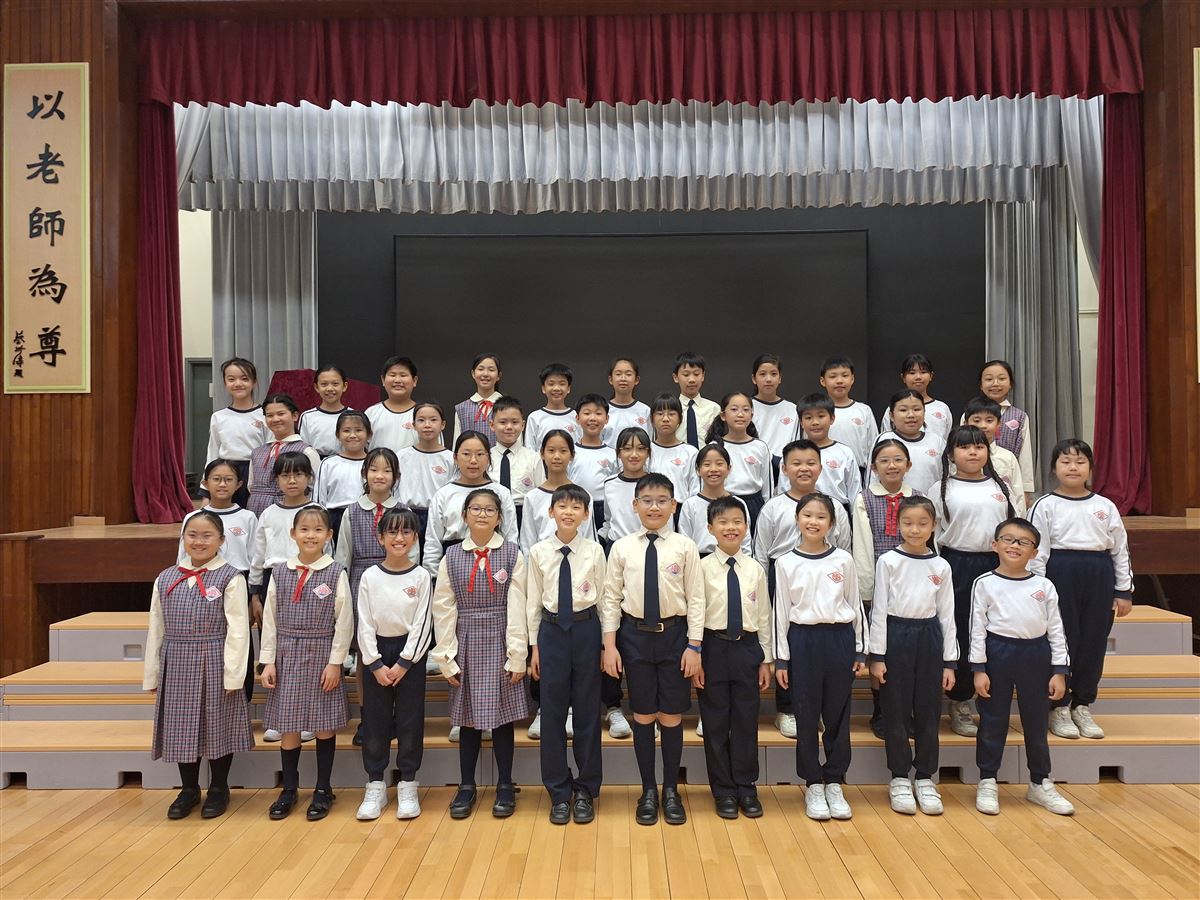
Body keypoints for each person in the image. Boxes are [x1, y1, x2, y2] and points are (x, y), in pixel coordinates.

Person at [600, 474, 705, 826]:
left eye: (662, 500)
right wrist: (610, 646)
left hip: (675, 637)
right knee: (644, 715)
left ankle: (671, 790)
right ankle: (647, 789)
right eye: (647, 500)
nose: (654, 507)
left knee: (671, 716)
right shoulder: (622, 547)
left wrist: (694, 645)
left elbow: (697, 599)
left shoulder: (685, 547)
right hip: (634, 637)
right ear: (635, 505)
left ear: (673, 505)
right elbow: (610, 599)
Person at [145, 510, 254, 820]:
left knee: (218, 724)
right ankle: (189, 788)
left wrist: (234, 675)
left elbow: (238, 630)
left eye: (207, 536)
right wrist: (153, 673)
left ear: (221, 540)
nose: (199, 541)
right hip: (177, 660)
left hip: (215, 658)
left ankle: (219, 787)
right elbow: (156, 627)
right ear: (183, 538)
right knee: (181, 724)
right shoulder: (166, 578)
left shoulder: (231, 577)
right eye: (192, 535)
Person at [431, 488, 529, 819]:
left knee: (503, 718)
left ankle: (505, 783)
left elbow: (518, 606)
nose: (483, 514)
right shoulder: (452, 556)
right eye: (476, 509)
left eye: (490, 510)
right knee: (468, 719)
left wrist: (517, 654)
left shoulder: (513, 554)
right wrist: (446, 657)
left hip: (501, 637)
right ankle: (467, 785)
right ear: (464, 516)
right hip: (466, 640)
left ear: (500, 517)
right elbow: (443, 608)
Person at [1029, 439, 1133, 740]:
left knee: (1093, 642)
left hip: (1099, 574)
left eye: (1080, 462)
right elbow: (1037, 552)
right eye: (1065, 461)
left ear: (1090, 468)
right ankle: (1058, 706)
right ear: (1053, 469)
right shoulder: (1044, 505)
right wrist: (1037, 590)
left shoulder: (1105, 506)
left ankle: (1082, 704)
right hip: (1060, 573)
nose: (1073, 467)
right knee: (1063, 639)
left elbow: (1120, 550)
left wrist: (1123, 590)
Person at [971, 518, 1075, 817]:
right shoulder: (984, 583)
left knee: (1036, 723)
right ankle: (987, 780)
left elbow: (1056, 629)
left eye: (1023, 542)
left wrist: (1059, 671)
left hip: (1036, 655)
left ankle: (1040, 782)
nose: (1015, 546)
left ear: (1035, 552)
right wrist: (979, 669)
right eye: (1008, 539)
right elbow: (976, 628)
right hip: (998, 654)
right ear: (995, 545)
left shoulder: (1044, 586)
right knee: (993, 721)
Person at [773, 492, 867, 822]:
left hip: (839, 640)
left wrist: (859, 648)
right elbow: (780, 612)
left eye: (821, 516)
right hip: (803, 642)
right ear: (797, 519)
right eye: (807, 515)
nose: (813, 521)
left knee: (838, 715)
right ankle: (813, 782)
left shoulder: (843, 560)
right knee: (806, 715)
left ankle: (834, 780)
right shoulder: (785, 562)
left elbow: (855, 605)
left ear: (832, 523)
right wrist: (782, 659)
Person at [259, 506, 354, 821]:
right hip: (286, 655)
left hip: (322, 654)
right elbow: (269, 620)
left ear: (329, 535)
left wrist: (336, 662)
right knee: (289, 725)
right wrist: (267, 661)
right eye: (304, 529)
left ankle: (323, 788)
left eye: (317, 530)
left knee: (324, 725)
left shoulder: (335, 572)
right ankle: (289, 789)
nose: (310, 535)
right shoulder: (280, 572)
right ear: (293, 534)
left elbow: (344, 622)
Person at [755, 440, 852, 737]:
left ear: (820, 468)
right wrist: (763, 593)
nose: (804, 469)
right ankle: (787, 709)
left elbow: (844, 547)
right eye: (796, 463)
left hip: (825, 575)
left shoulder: (834, 506)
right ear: (784, 469)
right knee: (787, 643)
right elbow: (761, 554)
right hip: (784, 576)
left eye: (810, 463)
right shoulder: (773, 507)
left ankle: (818, 709)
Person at [524, 484, 608, 824]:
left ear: (586, 514)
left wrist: (604, 644)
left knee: (588, 713)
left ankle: (586, 789)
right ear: (551, 512)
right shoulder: (538, 552)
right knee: (552, 715)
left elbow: (604, 600)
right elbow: (533, 601)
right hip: (551, 632)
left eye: (576, 507)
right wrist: (534, 648)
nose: (569, 512)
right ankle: (559, 791)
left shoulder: (595, 551)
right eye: (562, 506)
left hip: (587, 630)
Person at [868, 496, 956, 816]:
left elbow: (947, 615)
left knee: (929, 711)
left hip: (929, 637)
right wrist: (878, 656)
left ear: (934, 526)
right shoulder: (888, 561)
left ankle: (925, 776)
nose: (915, 529)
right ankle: (899, 776)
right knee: (896, 710)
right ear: (897, 525)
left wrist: (949, 662)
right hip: (896, 635)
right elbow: (879, 609)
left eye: (922, 523)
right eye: (908, 523)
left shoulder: (941, 566)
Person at [931, 425, 1016, 738]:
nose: (972, 452)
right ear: (951, 454)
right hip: (956, 564)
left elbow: (1014, 529)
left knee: (995, 632)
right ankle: (960, 701)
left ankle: (993, 702)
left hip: (996, 565)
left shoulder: (1000, 486)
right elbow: (931, 534)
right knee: (963, 633)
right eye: (965, 447)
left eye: (979, 447)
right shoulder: (940, 489)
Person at [354, 507, 434, 821]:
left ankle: (408, 784)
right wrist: (374, 663)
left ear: (415, 538)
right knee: (375, 722)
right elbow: (364, 621)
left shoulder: (421, 576)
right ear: (380, 537)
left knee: (410, 722)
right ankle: (375, 784)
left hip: (409, 658)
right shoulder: (369, 576)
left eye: (406, 532)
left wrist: (404, 662)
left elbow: (423, 623)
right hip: (376, 655)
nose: (399, 538)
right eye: (392, 532)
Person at [694, 497, 772, 819]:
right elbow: (695, 614)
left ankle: (746, 786)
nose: (731, 527)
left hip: (746, 649)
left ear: (746, 527)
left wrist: (766, 658)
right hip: (712, 647)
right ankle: (723, 790)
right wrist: (696, 655)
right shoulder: (700, 568)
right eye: (723, 522)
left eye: (737, 521)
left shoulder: (754, 569)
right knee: (714, 723)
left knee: (745, 721)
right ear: (710, 528)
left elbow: (764, 615)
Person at [851, 438, 921, 737]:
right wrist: (867, 590)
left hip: (913, 582)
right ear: (873, 467)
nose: (891, 466)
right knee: (880, 648)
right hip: (880, 581)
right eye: (884, 461)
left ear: (909, 464)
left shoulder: (918, 497)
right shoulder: (865, 499)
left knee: (909, 650)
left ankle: (909, 711)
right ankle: (881, 711)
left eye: (897, 460)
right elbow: (862, 546)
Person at [178, 459, 260, 703]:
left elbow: (255, 558)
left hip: (238, 583)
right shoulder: (193, 517)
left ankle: (242, 700)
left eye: (228, 479)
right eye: (216, 479)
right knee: (207, 640)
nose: (222, 484)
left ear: (239, 484)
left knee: (239, 639)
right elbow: (182, 557)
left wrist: (253, 595)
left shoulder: (247, 517)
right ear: (205, 483)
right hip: (200, 581)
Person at [422, 431, 519, 580]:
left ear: (488, 458)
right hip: (452, 565)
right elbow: (433, 542)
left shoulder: (501, 493)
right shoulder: (443, 494)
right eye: (466, 454)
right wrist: (433, 578)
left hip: (495, 563)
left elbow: (510, 536)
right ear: (455, 457)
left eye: (480, 454)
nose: (473, 460)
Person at [203, 357, 266, 507]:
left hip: (256, 475)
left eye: (244, 378)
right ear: (225, 383)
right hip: (226, 475)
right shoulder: (218, 417)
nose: (238, 384)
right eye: (231, 379)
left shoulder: (265, 415)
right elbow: (212, 454)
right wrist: (205, 493)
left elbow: (270, 452)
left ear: (254, 382)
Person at [705, 392, 772, 533]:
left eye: (746, 410)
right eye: (734, 409)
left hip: (754, 504)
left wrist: (767, 512)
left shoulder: (760, 447)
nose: (740, 414)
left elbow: (767, 487)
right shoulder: (714, 447)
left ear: (751, 416)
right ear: (723, 415)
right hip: (723, 505)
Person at [781, 392, 861, 509]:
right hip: (800, 510)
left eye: (821, 416)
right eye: (808, 418)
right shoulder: (791, 454)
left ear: (832, 418)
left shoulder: (845, 453)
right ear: (801, 422)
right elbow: (783, 491)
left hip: (838, 511)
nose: (815, 422)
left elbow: (855, 491)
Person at [247, 393, 322, 517]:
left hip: (292, 511)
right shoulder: (257, 452)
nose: (275, 419)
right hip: (255, 509)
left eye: (281, 414)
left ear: (295, 416)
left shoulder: (306, 451)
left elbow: (315, 487)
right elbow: (251, 485)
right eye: (270, 415)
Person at [520, 430, 596, 550]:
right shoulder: (532, 497)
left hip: (578, 558)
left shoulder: (583, 496)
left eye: (563, 451)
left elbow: (589, 537)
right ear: (542, 453)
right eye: (551, 450)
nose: (557, 456)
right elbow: (527, 541)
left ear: (572, 455)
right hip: (542, 559)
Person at [395, 401, 455, 550]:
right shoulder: (402, 456)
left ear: (443, 424)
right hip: (406, 517)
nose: (427, 425)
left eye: (433, 420)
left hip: (439, 518)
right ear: (414, 425)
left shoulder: (451, 458)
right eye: (421, 420)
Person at [676, 443, 752, 558]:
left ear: (729, 469)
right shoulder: (690, 505)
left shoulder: (738, 504)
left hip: (734, 560)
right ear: (698, 470)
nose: (713, 469)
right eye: (707, 464)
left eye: (719, 464)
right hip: (699, 561)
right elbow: (685, 543)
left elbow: (745, 542)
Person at [977, 359, 1034, 504]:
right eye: (989, 379)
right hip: (976, 476)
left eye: (1001, 379)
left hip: (1008, 476)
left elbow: (1025, 455)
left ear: (1011, 384)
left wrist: (1026, 490)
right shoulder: (970, 414)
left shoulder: (1019, 416)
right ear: (981, 385)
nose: (995, 383)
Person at [962, 395, 1026, 514]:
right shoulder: (959, 457)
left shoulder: (1008, 457)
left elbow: (1018, 497)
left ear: (998, 424)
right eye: (977, 421)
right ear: (966, 424)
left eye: (989, 420)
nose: (983, 425)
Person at [873, 389, 945, 495]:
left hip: (929, 503)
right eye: (903, 410)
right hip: (891, 503)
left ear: (924, 412)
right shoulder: (884, 439)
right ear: (892, 415)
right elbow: (873, 478)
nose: (911, 415)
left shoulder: (937, 441)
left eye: (916, 409)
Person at [599, 426, 662, 548]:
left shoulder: (657, 485)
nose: (634, 455)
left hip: (648, 546)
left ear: (648, 453)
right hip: (616, 547)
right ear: (618, 453)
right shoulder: (609, 483)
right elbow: (608, 520)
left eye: (641, 449)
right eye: (627, 449)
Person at [314, 410, 372, 541]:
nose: (353, 435)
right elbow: (319, 501)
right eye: (346, 431)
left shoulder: (375, 463)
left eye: (358, 430)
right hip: (335, 520)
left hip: (368, 518)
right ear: (337, 435)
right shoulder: (328, 463)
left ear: (369, 434)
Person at [819, 355, 878, 480]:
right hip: (823, 472)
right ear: (823, 381)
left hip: (859, 473)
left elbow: (874, 448)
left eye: (845, 375)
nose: (839, 381)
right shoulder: (816, 411)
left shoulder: (864, 410)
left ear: (852, 379)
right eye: (833, 376)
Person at [569, 394, 618, 539]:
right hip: (576, 507)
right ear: (577, 418)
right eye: (587, 413)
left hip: (603, 510)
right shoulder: (570, 452)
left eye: (598, 413)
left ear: (607, 418)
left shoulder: (613, 454)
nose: (592, 418)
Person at [488, 397, 540, 527]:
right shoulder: (485, 457)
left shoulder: (533, 458)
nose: (509, 427)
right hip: (491, 514)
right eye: (503, 422)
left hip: (524, 516)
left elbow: (540, 494)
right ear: (492, 425)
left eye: (515, 422)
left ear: (523, 425)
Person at [879, 353, 953, 443]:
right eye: (912, 373)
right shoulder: (894, 408)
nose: (918, 377)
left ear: (931, 376)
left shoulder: (942, 408)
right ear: (903, 377)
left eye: (923, 372)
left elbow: (947, 441)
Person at [750, 354, 799, 483]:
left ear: (780, 378)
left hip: (785, 473)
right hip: (754, 470)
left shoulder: (792, 409)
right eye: (762, 374)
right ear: (754, 378)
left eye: (773, 374)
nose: (768, 379)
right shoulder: (745, 408)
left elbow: (796, 444)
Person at [648, 392, 699, 506]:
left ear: (680, 418)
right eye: (660, 414)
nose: (665, 419)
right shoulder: (646, 451)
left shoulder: (691, 452)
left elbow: (695, 489)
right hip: (651, 508)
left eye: (671, 414)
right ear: (652, 419)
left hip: (681, 508)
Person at [366, 355, 420, 454]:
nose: (397, 380)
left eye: (403, 375)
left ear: (414, 381)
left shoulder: (424, 414)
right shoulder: (371, 413)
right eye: (392, 375)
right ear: (383, 380)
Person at [525, 363, 582, 451]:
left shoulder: (577, 417)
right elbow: (530, 450)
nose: (556, 388)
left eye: (562, 384)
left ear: (568, 388)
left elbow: (581, 447)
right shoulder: (534, 417)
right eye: (551, 384)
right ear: (543, 388)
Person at [299, 364, 352, 458]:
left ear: (344, 386)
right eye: (324, 384)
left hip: (346, 461)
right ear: (316, 387)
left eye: (335, 384)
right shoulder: (307, 417)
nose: (330, 389)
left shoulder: (354, 416)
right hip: (315, 463)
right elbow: (303, 449)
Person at [453, 352, 503, 447]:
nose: (485, 374)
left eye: (491, 370)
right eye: (481, 369)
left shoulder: (508, 407)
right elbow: (457, 446)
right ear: (473, 373)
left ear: (498, 376)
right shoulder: (462, 409)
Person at [672, 351, 720, 448]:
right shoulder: (670, 409)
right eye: (686, 374)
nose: (692, 380)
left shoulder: (714, 408)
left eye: (696, 374)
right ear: (676, 377)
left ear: (703, 376)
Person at [601, 357, 650, 448]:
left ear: (637, 380)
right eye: (618, 374)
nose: (623, 378)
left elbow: (649, 442)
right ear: (610, 379)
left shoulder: (645, 410)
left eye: (628, 374)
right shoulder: (602, 410)